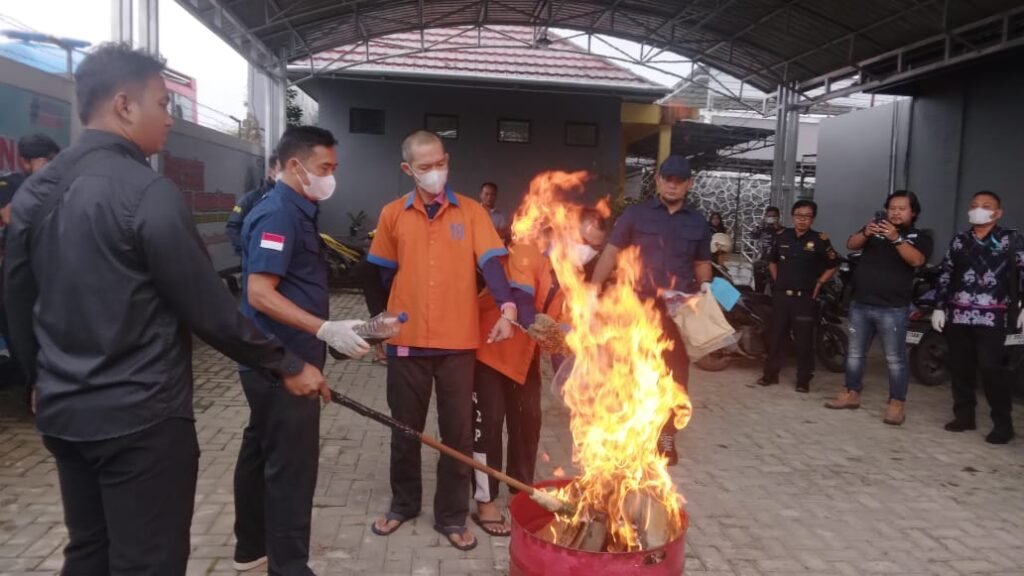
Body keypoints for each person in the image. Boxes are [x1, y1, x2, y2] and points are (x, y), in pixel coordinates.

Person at [2, 43, 326, 576]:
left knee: (88, 550)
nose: (169, 120)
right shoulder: (148, 193)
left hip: (65, 415)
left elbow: (17, 295)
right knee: (147, 559)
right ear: (125, 105)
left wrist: (38, 376)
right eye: (162, 103)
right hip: (141, 420)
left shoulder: (35, 193)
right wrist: (288, 364)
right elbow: (207, 307)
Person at [367, 130, 517, 551]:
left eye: (439, 163)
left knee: (458, 435)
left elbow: (492, 264)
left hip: (457, 345)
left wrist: (507, 308)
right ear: (407, 169)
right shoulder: (393, 215)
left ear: (447, 160)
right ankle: (403, 504)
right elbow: (377, 273)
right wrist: (378, 325)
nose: (434, 172)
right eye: (424, 166)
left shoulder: (471, 213)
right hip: (406, 342)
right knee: (404, 430)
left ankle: (451, 516)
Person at [232, 126, 370, 574]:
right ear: (295, 166)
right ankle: (290, 567)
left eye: (334, 167)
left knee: (259, 450)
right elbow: (260, 293)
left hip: (273, 359)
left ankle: (250, 547)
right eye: (324, 168)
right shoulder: (278, 214)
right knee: (292, 471)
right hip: (283, 363)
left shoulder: (299, 208)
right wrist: (324, 328)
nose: (331, 177)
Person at [471, 208, 607, 536]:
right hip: (489, 352)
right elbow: (523, 301)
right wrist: (550, 327)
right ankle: (485, 501)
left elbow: (564, 328)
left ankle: (520, 491)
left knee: (529, 421)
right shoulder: (527, 251)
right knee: (486, 427)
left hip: (524, 360)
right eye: (581, 239)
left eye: (594, 246)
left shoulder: (572, 278)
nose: (585, 249)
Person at [591, 155, 712, 466]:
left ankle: (666, 434)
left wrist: (706, 286)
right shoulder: (636, 215)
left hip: (678, 311)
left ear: (689, 184)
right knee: (629, 371)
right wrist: (592, 289)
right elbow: (612, 252)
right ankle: (629, 431)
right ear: (658, 181)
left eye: (679, 180)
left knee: (675, 376)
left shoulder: (697, 222)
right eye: (667, 179)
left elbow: (701, 262)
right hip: (636, 309)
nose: (673, 185)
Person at [826, 191, 932, 425]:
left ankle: (896, 404)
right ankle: (850, 393)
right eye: (892, 207)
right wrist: (866, 232)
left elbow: (917, 261)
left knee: (895, 359)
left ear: (913, 212)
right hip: (861, 303)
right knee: (854, 354)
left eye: (901, 208)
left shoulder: (919, 236)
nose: (895, 212)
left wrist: (895, 239)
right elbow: (850, 244)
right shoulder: (875, 230)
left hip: (893, 308)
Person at [932, 190, 1022, 444]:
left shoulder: (1010, 240)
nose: (978, 209)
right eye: (974, 205)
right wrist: (940, 306)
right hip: (959, 316)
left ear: (997, 213)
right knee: (960, 368)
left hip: (994, 318)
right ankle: (964, 416)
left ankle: (1003, 424)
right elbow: (946, 274)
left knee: (992, 371)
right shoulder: (960, 241)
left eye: (985, 206)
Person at [757, 200, 838, 393]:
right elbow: (772, 261)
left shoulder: (820, 240)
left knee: (803, 339)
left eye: (807, 217)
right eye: (799, 216)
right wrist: (778, 283)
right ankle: (770, 374)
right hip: (781, 297)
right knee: (776, 337)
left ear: (812, 219)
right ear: (792, 216)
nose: (802, 220)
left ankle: (803, 379)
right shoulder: (781, 236)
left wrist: (819, 283)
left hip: (804, 298)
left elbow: (833, 264)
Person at [0, 134, 61, 226]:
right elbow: (9, 216)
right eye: (47, 161)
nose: (52, 165)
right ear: (25, 162)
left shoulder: (62, 184)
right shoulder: (10, 184)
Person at [226, 153, 280, 256]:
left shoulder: (295, 201)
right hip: (257, 263)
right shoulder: (250, 199)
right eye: (282, 169)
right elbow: (232, 227)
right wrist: (249, 251)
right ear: (270, 172)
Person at [753, 206, 782, 293]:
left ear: (778, 217)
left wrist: (777, 228)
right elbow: (753, 235)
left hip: (776, 264)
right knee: (759, 290)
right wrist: (761, 224)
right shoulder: (762, 229)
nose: (771, 218)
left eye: (774, 216)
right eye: (769, 216)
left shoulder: (783, 231)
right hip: (761, 263)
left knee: (775, 290)